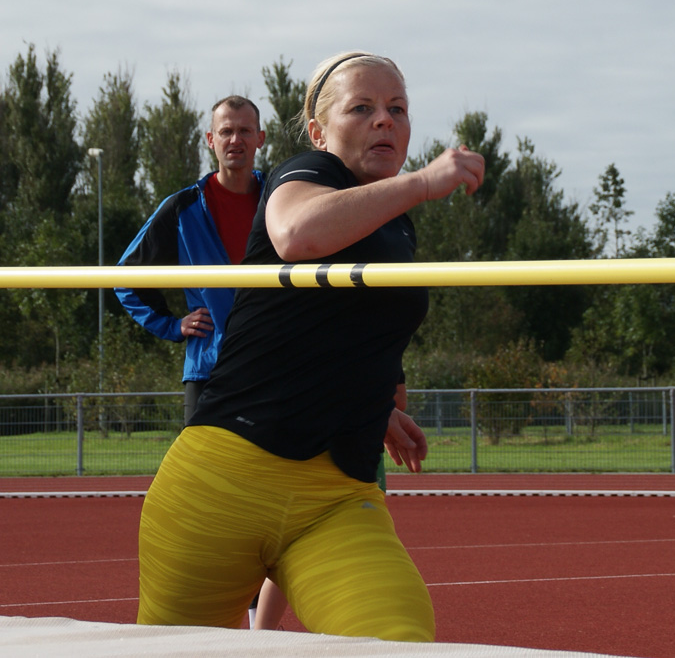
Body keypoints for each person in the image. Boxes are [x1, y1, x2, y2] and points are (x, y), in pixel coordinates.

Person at [134, 51, 485, 640]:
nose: (386, 121)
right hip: (222, 483)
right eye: (363, 108)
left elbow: (367, 328)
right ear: (319, 132)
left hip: (335, 499)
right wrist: (422, 182)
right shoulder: (304, 174)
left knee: (398, 642)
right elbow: (298, 234)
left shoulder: (397, 223)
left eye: (398, 109)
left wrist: (378, 406)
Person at [113, 95, 283, 629]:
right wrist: (171, 324)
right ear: (210, 141)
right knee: (206, 492)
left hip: (277, 370)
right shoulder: (183, 207)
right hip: (209, 371)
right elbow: (125, 278)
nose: (236, 139)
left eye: (245, 130)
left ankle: (256, 615)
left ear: (261, 139)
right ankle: (208, 609)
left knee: (273, 485)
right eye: (225, 131)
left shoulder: (283, 199)